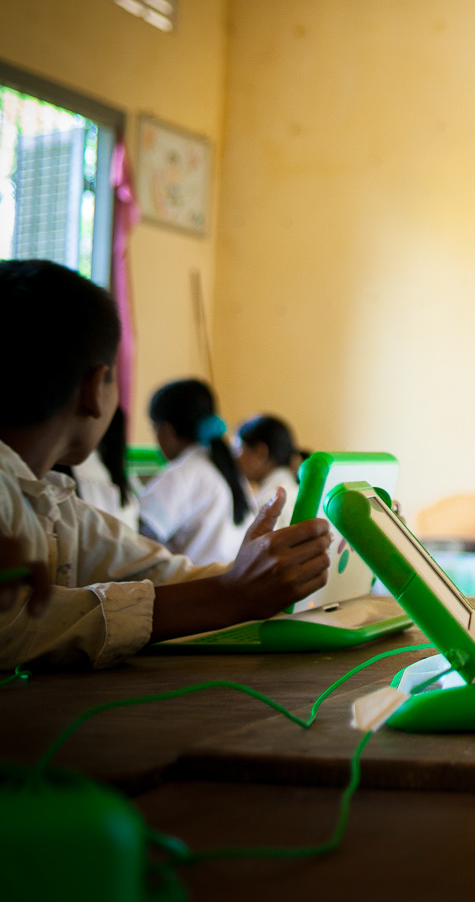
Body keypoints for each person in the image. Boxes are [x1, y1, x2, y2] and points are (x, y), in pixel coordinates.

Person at [0, 260, 332, 669]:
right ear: (94, 388)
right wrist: (232, 591)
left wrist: (266, 579)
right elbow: (19, 624)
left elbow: (156, 569)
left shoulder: (56, 506)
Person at [139, 379, 254, 566]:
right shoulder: (226, 469)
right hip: (225, 586)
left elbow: (139, 537)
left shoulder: (184, 473)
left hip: (193, 587)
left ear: (165, 430)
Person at [235, 414, 302, 511]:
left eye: (238, 449)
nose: (235, 458)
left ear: (260, 453)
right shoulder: (293, 493)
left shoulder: (269, 504)